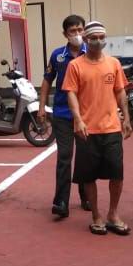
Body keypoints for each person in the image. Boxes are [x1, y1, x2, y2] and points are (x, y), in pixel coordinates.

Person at [62, 21, 132, 235]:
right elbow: (71, 93)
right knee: (88, 175)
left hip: (111, 128)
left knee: (117, 173)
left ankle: (113, 214)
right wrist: (78, 120)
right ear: (86, 39)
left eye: (102, 37)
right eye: (94, 38)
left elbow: (120, 91)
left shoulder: (113, 63)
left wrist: (126, 118)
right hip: (87, 130)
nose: (98, 41)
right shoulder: (75, 65)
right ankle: (96, 216)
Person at [39, 15, 89, 218]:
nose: (77, 34)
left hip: (86, 115)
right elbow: (47, 81)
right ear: (65, 34)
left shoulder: (92, 53)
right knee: (64, 157)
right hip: (62, 114)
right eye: (72, 31)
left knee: (86, 157)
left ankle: (86, 195)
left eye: (80, 30)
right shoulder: (57, 56)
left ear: (85, 30)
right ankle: (61, 201)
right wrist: (42, 107)